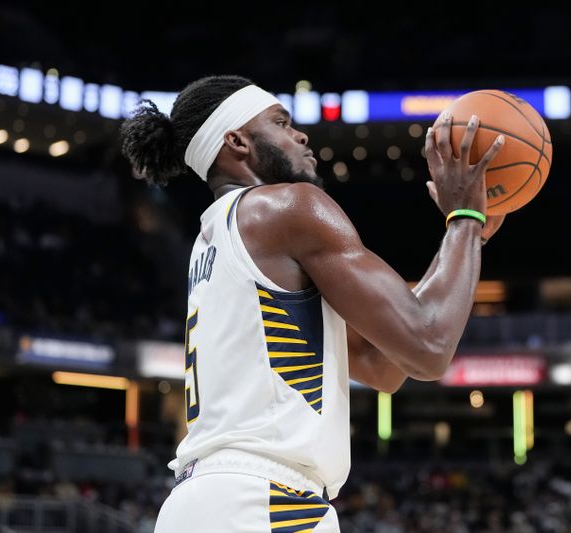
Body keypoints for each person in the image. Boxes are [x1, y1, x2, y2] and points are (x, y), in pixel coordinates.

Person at [120, 75, 505, 533]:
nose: (300, 134)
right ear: (236, 142)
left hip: (199, 502)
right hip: (264, 502)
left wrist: (463, 236)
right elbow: (429, 344)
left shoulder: (214, 241)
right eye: (281, 122)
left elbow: (384, 365)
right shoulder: (287, 207)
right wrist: (464, 219)